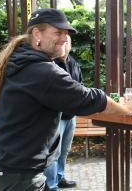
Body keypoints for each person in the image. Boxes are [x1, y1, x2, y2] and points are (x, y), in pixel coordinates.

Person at [0, 8, 132, 191]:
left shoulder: (20, 60)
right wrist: (126, 109)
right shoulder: (41, 71)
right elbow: (88, 98)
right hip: (22, 174)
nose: (64, 39)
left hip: (13, 167)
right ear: (37, 34)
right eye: (58, 32)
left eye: (66, 33)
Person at [44, 35, 81, 190]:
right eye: (63, 41)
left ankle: (60, 177)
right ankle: (51, 186)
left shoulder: (74, 63)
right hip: (57, 117)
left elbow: (80, 86)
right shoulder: (51, 64)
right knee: (53, 153)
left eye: (68, 41)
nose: (65, 44)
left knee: (64, 151)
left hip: (71, 116)